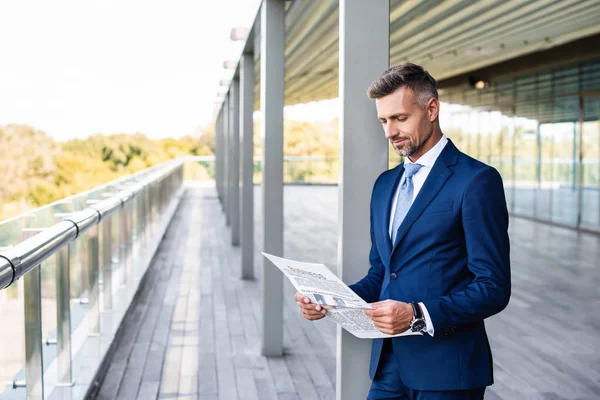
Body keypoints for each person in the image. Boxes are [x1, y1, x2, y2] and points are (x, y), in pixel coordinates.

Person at [295, 63, 511, 400]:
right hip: (388, 366)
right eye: (383, 120)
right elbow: (382, 273)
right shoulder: (385, 185)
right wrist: (330, 301)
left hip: (448, 371)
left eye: (400, 118)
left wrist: (417, 315)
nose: (389, 132)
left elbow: (493, 287)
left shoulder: (476, 181)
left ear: (432, 109)